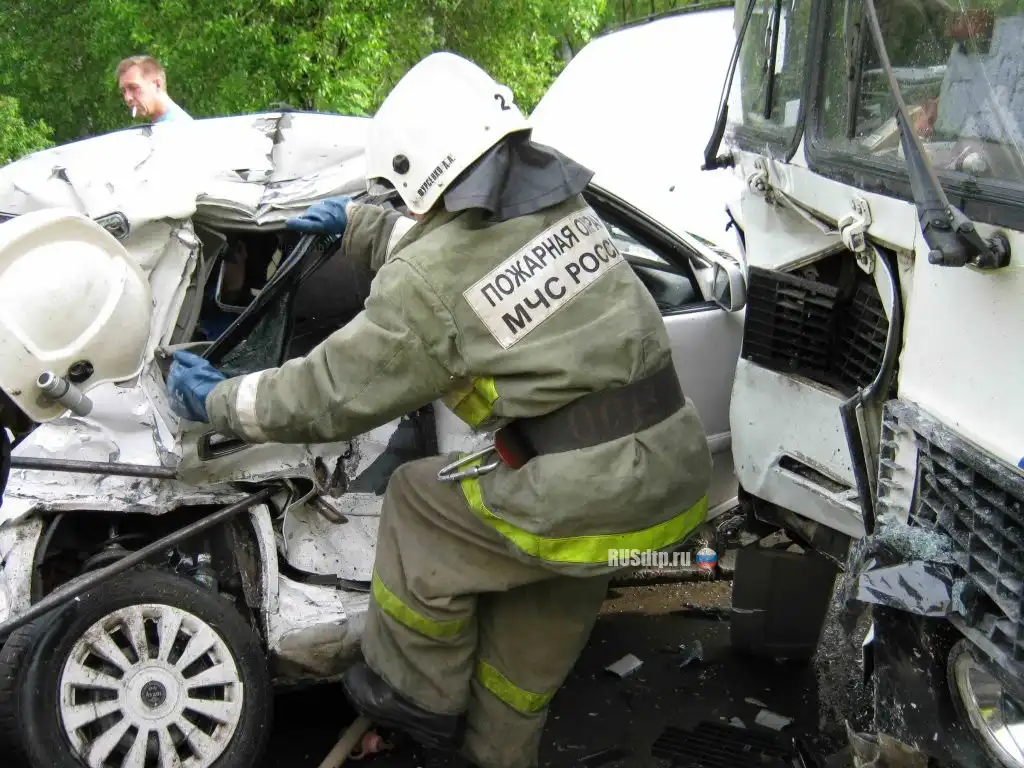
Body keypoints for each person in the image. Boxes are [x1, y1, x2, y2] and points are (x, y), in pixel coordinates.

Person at [165, 52, 712, 768]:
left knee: (419, 500)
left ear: (421, 171)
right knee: (518, 675)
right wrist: (359, 225)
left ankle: (415, 701)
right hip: (667, 477)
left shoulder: (426, 284)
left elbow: (327, 394)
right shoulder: (561, 208)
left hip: (584, 491)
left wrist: (218, 399)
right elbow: (474, 256)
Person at [116, 55, 193, 123]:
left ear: (157, 85)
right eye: (124, 91)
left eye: (133, 87)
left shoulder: (175, 127)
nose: (127, 98)